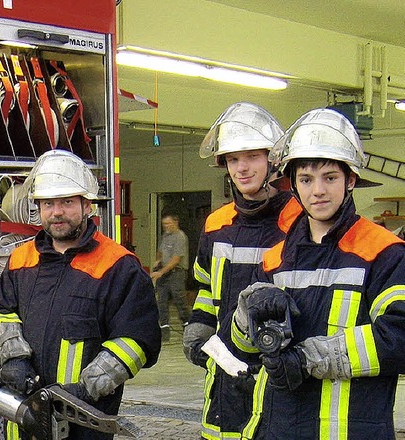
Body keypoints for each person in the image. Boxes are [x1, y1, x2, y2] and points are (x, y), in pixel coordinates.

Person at [232, 108, 405, 439]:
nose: (318, 191)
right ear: (294, 186)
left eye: (330, 177)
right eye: (306, 179)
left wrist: (308, 359)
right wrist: (247, 312)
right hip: (277, 429)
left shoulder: (383, 252)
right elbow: (244, 347)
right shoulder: (275, 259)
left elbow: (399, 337)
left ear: (350, 180)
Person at [0, 149, 161, 439]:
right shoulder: (21, 259)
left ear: (87, 204)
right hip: (23, 422)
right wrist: (13, 357)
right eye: (48, 203)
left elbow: (138, 340)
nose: (57, 212)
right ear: (37, 207)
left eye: (66, 201)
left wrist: (84, 389)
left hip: (84, 423)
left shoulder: (118, 266)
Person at [183, 102, 302, 439]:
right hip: (225, 367)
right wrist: (200, 324)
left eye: (251, 157)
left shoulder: (299, 221)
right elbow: (207, 287)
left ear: (273, 161)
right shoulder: (216, 223)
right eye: (233, 159)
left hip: (279, 370)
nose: (242, 168)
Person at [151, 213, 190, 342]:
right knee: (161, 301)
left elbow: (176, 259)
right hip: (164, 272)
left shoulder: (180, 237)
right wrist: (158, 261)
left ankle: (188, 328)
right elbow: (161, 251)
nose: (166, 226)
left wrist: (161, 272)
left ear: (176, 222)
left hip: (176, 272)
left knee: (179, 300)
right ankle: (164, 331)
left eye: (168, 224)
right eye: (164, 224)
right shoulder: (165, 236)